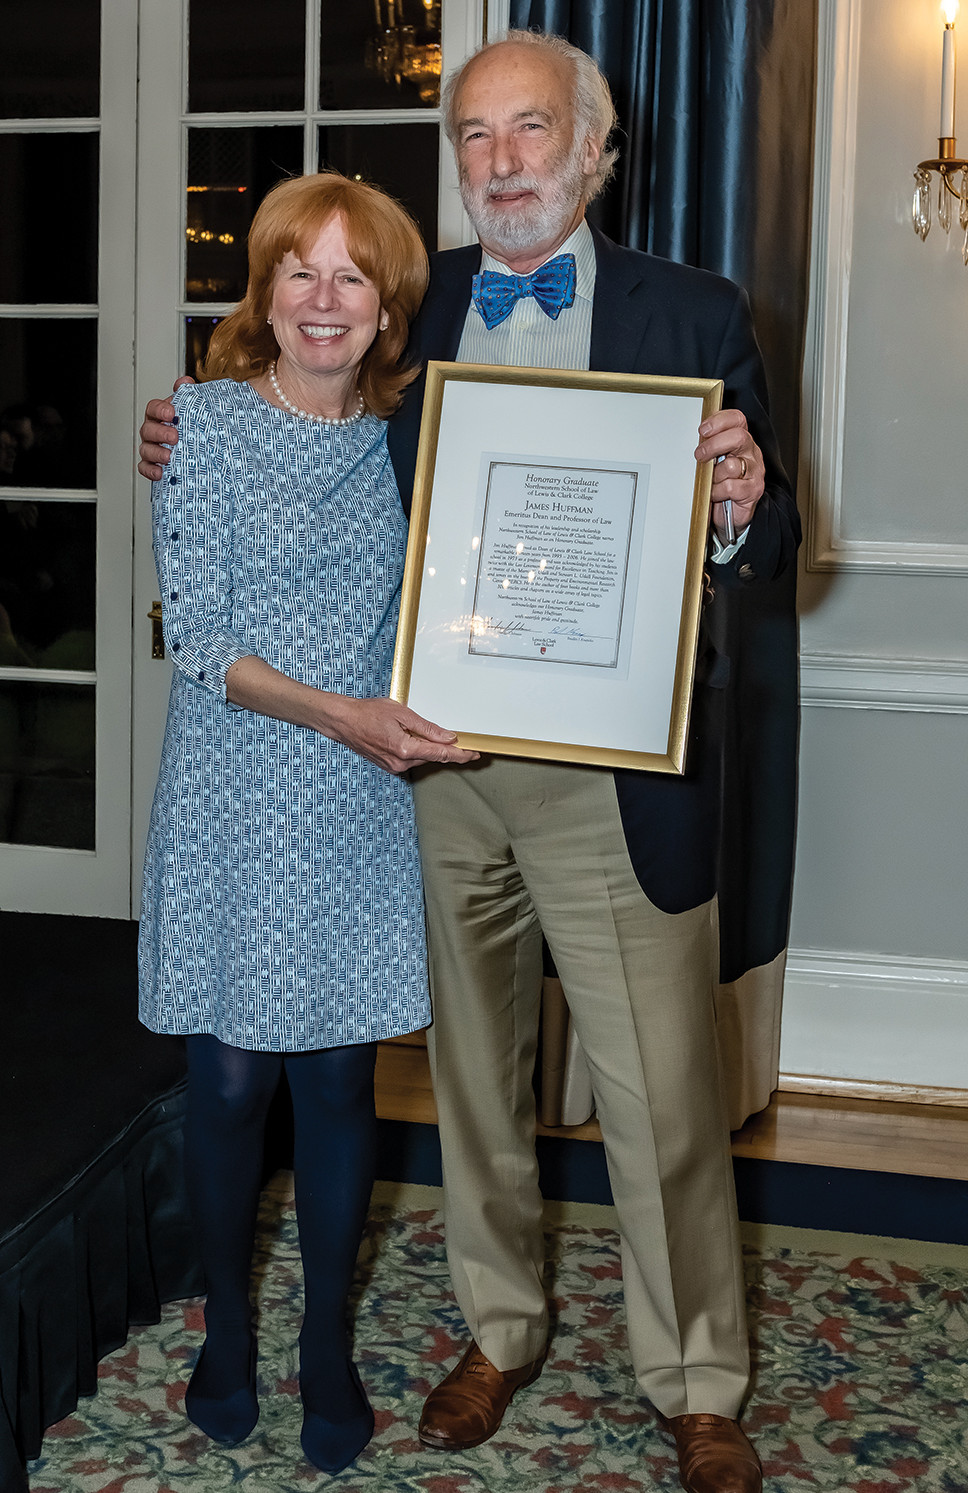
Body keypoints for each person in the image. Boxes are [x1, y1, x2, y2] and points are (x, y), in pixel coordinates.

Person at [140, 33, 800, 1493]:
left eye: (530, 130)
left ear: (595, 148)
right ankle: (500, 1330)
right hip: (425, 777)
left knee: (664, 1097)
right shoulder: (407, 308)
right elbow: (291, 421)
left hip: (616, 779)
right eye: (476, 134)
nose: (501, 161)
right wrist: (183, 421)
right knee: (477, 1090)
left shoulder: (695, 313)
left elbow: (769, 558)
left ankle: (697, 1376)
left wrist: (743, 507)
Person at [137, 170, 475, 1475]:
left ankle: (322, 1344)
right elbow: (200, 638)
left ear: (389, 308)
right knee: (227, 1079)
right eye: (298, 271)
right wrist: (345, 715)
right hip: (238, 781)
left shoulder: (414, 436)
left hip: (355, 799)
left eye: (352, 277)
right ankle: (230, 1325)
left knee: (338, 1078)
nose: (323, 300)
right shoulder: (202, 425)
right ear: (263, 291)